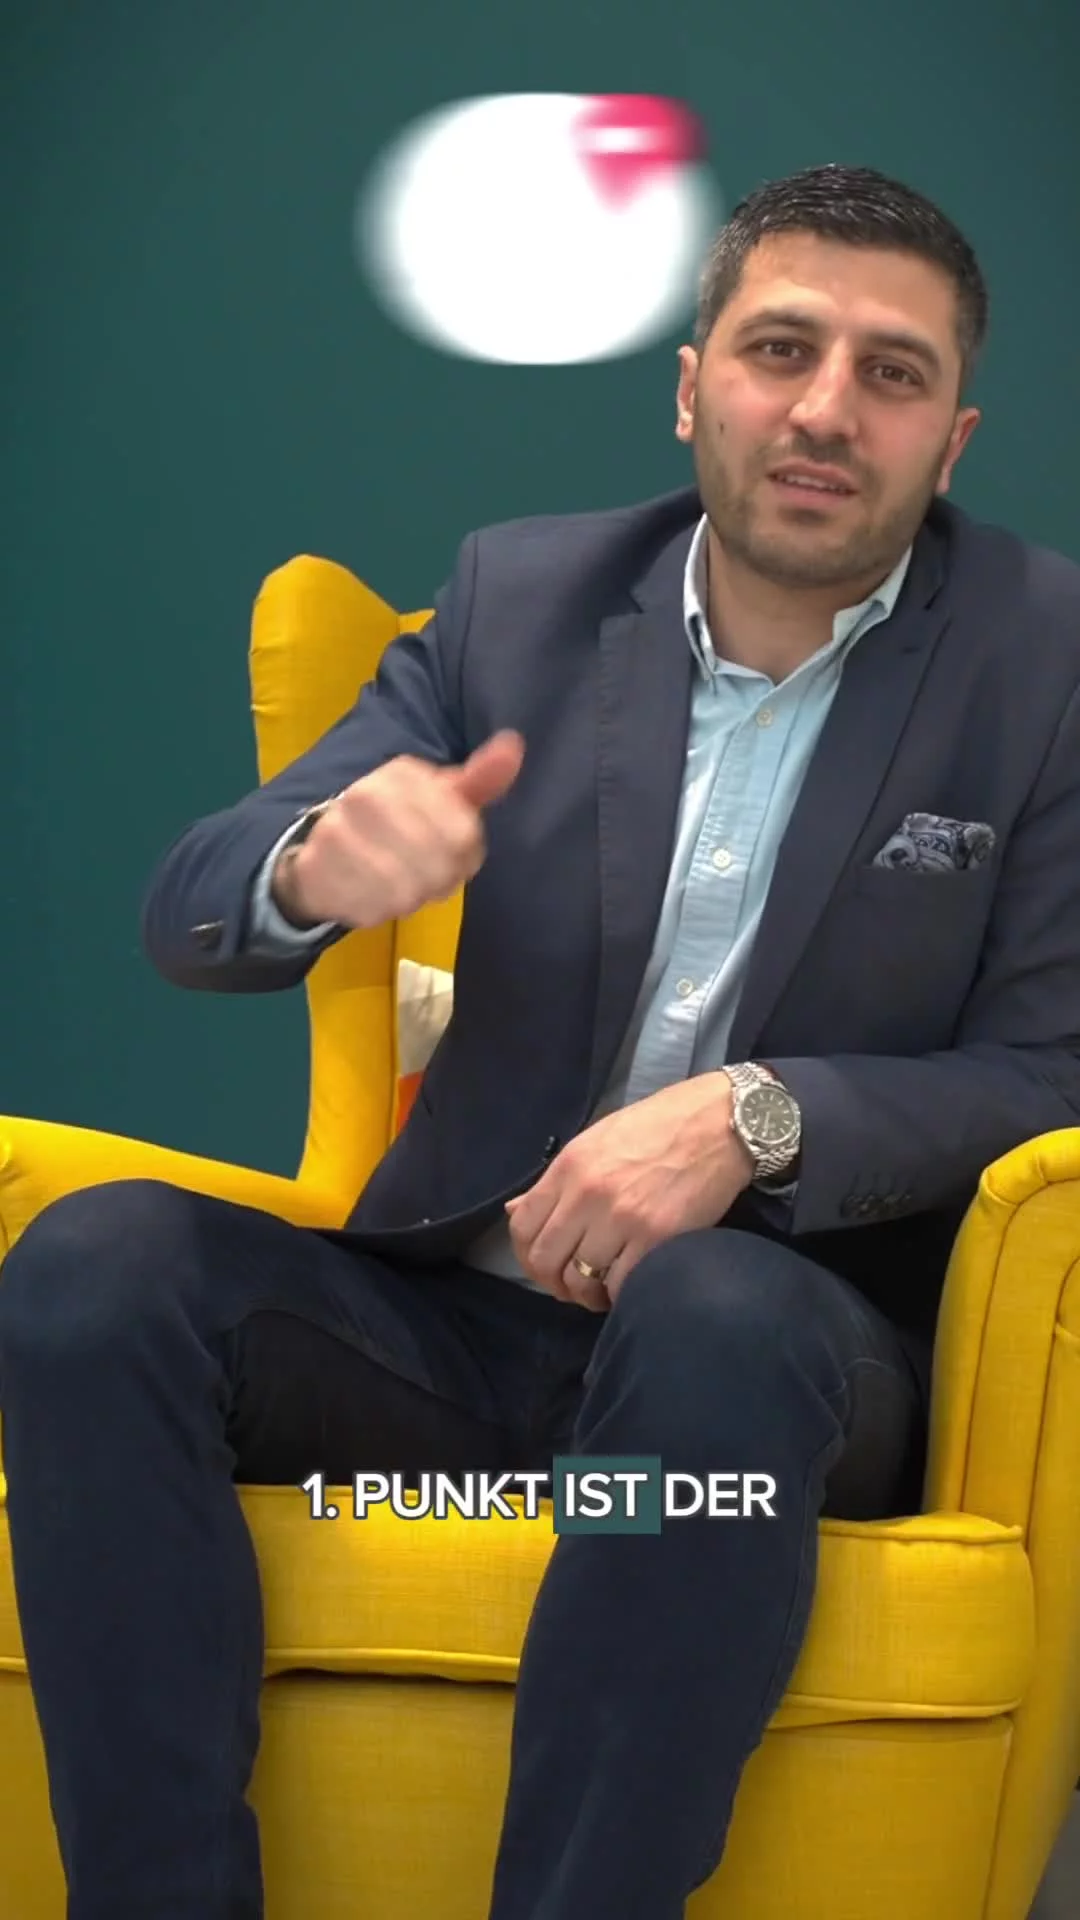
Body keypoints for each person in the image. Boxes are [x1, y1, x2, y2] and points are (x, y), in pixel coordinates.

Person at [2, 160, 1080, 1920]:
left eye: (891, 373)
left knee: (711, 1307)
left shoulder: (1047, 665)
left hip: (758, 1399)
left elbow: (1053, 1069)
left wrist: (754, 1117)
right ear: (693, 387)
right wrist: (311, 863)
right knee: (91, 1266)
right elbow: (194, 907)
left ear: (952, 439)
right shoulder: (518, 602)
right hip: (452, 1362)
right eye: (782, 348)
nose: (827, 407)